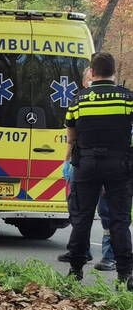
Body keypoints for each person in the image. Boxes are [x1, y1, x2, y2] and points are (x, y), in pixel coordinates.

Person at [63, 52, 133, 286]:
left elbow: (71, 137)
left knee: (82, 217)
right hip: (119, 164)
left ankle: (75, 270)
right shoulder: (127, 98)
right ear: (114, 72)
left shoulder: (79, 99)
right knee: (119, 219)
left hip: (86, 164)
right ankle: (124, 274)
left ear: (92, 73)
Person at [58, 66, 119, 271]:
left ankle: (110, 256)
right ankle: (81, 250)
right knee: (78, 211)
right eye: (88, 81)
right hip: (81, 163)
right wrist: (67, 163)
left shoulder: (112, 105)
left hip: (102, 164)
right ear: (85, 82)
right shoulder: (81, 103)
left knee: (106, 212)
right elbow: (71, 140)